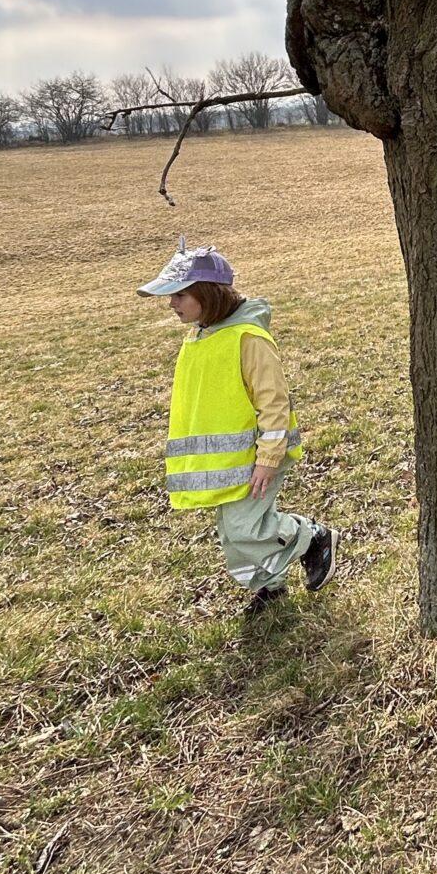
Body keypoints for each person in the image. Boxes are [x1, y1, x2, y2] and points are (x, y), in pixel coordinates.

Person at [138, 237, 339, 614]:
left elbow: (274, 402)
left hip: (257, 456)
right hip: (228, 462)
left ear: (206, 293)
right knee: (233, 536)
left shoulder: (248, 339)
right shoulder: (202, 334)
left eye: (179, 295)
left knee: (247, 527)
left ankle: (311, 537)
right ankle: (269, 585)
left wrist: (269, 458)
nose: (171, 304)